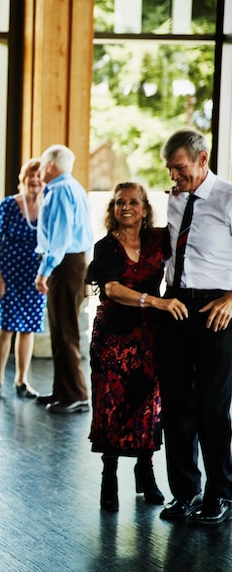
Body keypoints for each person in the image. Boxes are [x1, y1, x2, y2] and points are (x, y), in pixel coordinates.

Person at [85, 182, 187, 512]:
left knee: (149, 406)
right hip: (113, 339)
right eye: (119, 202)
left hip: (149, 338)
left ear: (145, 208)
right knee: (111, 405)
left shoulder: (159, 239)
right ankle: (109, 476)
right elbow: (112, 289)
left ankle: (146, 471)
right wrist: (156, 301)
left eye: (133, 202)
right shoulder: (106, 247)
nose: (126, 207)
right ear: (112, 209)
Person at [156, 128, 232, 525]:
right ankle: (185, 492)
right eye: (169, 169)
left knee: (213, 407)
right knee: (176, 406)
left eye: (179, 167)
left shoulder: (228, 197)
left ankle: (221, 494)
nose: (173, 175)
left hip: (216, 307)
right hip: (176, 305)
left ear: (203, 159)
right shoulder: (175, 199)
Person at [34, 144, 93, 413]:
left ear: (52, 165)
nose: (41, 169)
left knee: (65, 330)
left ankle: (76, 395)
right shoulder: (74, 187)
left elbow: (59, 238)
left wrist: (44, 271)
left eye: (44, 164)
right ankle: (63, 391)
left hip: (64, 264)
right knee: (60, 329)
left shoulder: (59, 191)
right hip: (72, 262)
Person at [0, 157, 46, 399]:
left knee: (28, 329)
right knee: (6, 327)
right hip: (10, 275)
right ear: (23, 179)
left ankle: (22, 381)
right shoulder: (9, 205)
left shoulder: (48, 206)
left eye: (38, 176)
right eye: (30, 176)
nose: (34, 180)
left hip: (35, 277)